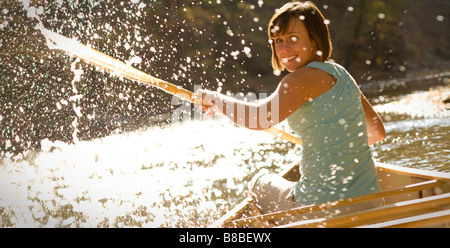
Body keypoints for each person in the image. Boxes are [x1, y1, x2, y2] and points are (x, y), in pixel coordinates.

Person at [194, 1, 386, 222]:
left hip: (321, 211)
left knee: (259, 182)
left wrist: (217, 100)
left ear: (315, 39)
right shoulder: (341, 73)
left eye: (292, 38)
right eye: (278, 41)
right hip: (371, 205)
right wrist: (330, 143)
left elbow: (259, 119)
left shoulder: (298, 80)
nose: (284, 48)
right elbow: (376, 132)